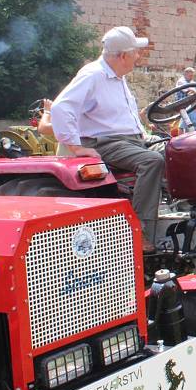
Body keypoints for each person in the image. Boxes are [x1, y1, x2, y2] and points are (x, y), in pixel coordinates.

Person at [50, 26, 165, 250]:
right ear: (123, 56)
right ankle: (140, 231)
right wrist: (75, 146)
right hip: (105, 142)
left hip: (128, 140)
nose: (138, 57)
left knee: (176, 151)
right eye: (135, 53)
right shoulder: (93, 75)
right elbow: (61, 108)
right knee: (151, 161)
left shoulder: (117, 76)